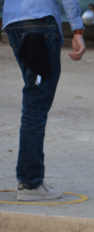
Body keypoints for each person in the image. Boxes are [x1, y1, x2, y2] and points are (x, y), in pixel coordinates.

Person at [2, 0, 86, 201]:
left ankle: (29, 180)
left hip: (13, 21)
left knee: (34, 98)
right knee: (36, 104)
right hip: (40, 19)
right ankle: (30, 182)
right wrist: (77, 30)